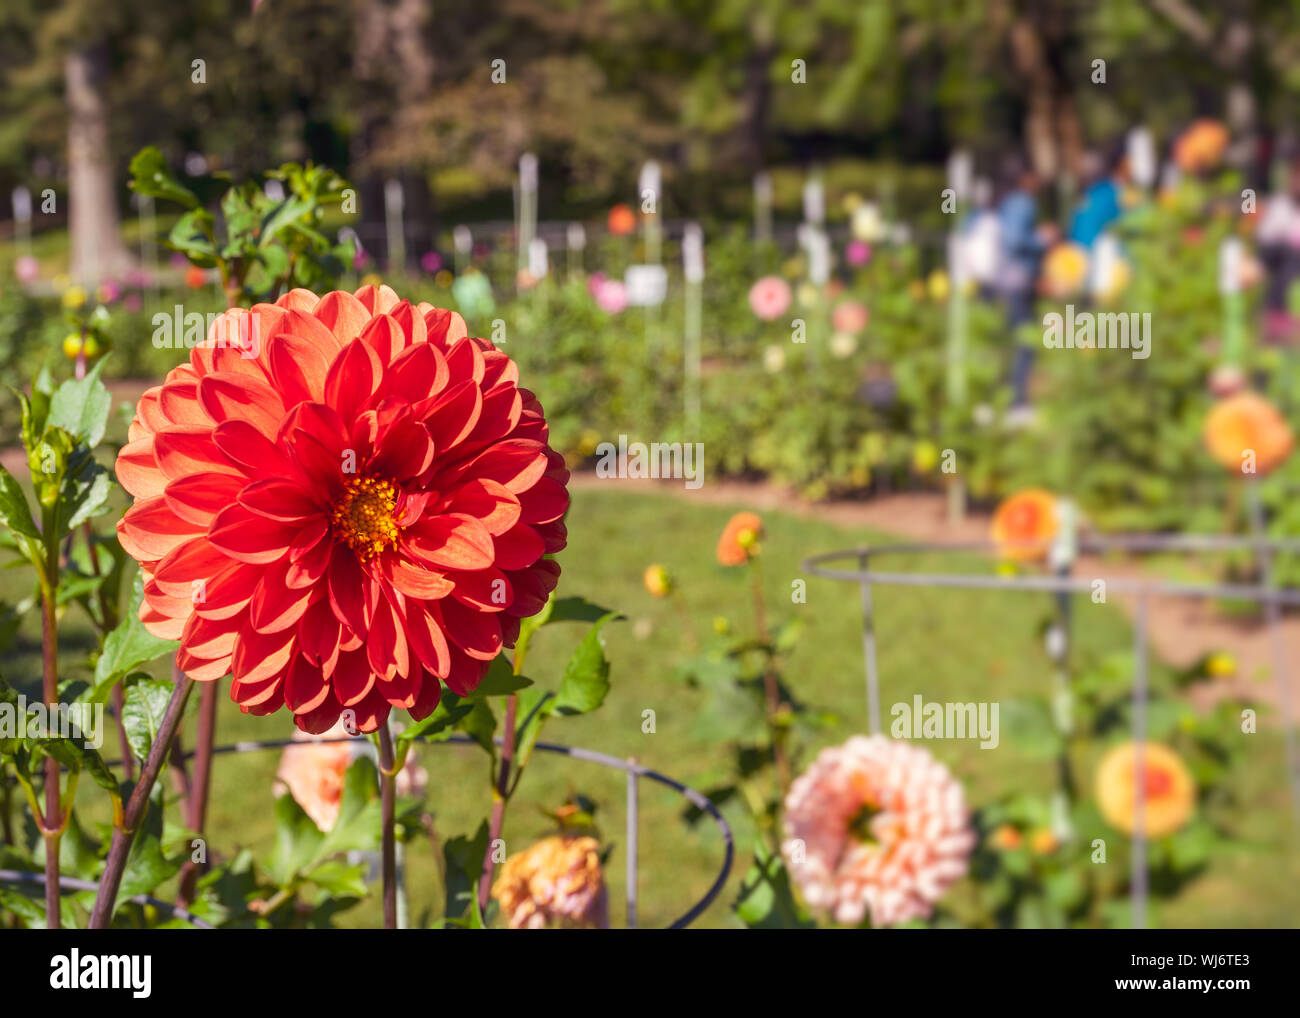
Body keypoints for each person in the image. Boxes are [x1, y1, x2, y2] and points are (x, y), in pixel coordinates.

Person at [996, 157, 1055, 414]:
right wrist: (1042, 239)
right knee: (1025, 340)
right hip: (1020, 279)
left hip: (1008, 280)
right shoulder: (1024, 203)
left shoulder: (1007, 202)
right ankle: (1017, 401)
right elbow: (1016, 240)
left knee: (1012, 338)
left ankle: (1006, 394)